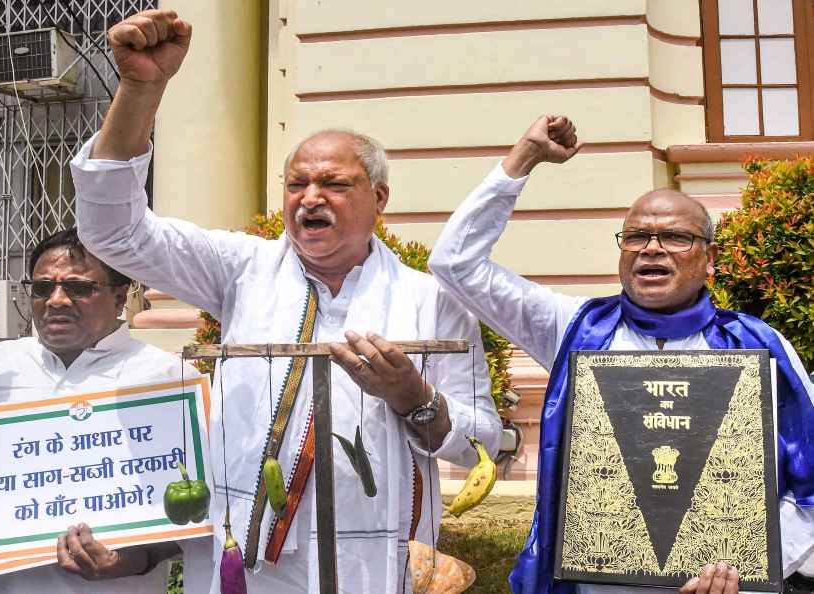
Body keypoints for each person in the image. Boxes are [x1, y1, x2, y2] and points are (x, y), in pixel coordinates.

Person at [69, 9, 500, 593]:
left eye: (333, 184)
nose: (309, 197)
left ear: (379, 198)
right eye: (296, 183)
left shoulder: (432, 300)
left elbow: (483, 441)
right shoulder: (242, 269)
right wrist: (141, 90)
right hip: (250, 557)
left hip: (379, 559)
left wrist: (413, 397)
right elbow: (115, 231)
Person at [428, 115, 814, 594]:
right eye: (636, 236)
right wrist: (523, 159)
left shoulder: (757, 346)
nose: (652, 248)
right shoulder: (576, 328)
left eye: (676, 237)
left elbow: (809, 485)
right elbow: (453, 263)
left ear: (710, 258)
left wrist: (751, 566)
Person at [0, 228, 213, 594]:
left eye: (78, 288)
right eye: (43, 288)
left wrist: (135, 559)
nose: (56, 300)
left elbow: (201, 512)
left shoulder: (166, 379)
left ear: (120, 296)